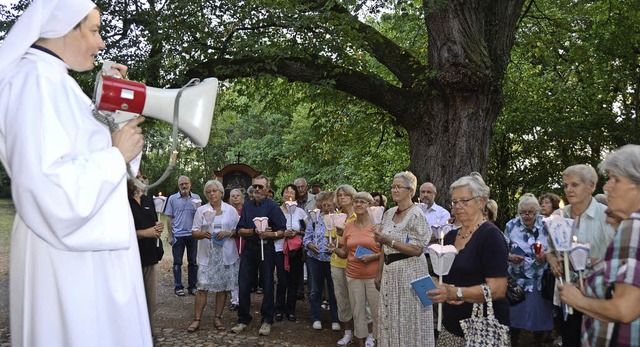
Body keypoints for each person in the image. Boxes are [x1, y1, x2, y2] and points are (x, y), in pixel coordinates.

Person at [0, 1, 152, 345]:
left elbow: (91, 149)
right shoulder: (34, 81)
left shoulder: (59, 83)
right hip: (68, 262)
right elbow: (44, 186)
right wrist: (116, 156)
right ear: (65, 27)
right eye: (95, 30)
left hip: (83, 254)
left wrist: (113, 105)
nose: (101, 44)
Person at [558, 145, 640, 346]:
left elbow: (625, 309)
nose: (607, 187)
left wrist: (576, 299)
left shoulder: (633, 225)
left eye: (616, 179)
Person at [428, 172, 509, 346]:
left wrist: (456, 292)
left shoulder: (491, 237)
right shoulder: (448, 237)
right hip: (450, 326)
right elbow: (437, 275)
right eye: (454, 202)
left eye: (464, 201)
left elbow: (498, 289)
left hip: (483, 329)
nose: (458, 206)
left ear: (481, 201)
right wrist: (436, 286)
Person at [545, 164, 615, 346]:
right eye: (565, 185)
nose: (568, 189)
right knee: (570, 340)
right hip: (567, 295)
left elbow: (618, 259)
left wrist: (588, 262)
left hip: (599, 296)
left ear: (591, 186)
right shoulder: (558, 216)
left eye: (574, 185)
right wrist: (553, 260)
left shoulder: (607, 215)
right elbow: (550, 249)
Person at [374, 172, 434, 347]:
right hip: (390, 271)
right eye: (393, 186)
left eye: (398, 186)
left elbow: (417, 249)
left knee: (408, 316)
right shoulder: (389, 212)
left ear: (411, 191)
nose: (394, 189)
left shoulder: (416, 214)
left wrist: (389, 240)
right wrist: (379, 273)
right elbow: (383, 248)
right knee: (390, 314)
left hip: (410, 272)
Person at [231, 175, 287, 336]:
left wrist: (271, 234)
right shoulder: (247, 207)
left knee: (268, 285)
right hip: (249, 248)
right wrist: (254, 231)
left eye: (260, 187)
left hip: (266, 249)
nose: (257, 189)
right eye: (255, 186)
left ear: (267, 189)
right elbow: (239, 229)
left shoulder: (273, 207)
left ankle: (267, 320)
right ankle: (243, 319)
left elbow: (282, 231)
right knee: (243, 283)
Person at [187, 180, 240, 333]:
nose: (211, 194)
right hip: (207, 255)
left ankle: (218, 317)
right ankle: (197, 319)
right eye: (208, 192)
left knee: (222, 288)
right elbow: (194, 231)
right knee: (202, 287)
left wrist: (229, 233)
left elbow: (238, 230)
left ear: (221, 193)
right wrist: (202, 234)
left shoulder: (230, 210)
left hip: (225, 254)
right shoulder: (201, 211)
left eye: (214, 191)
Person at [331, 192, 381, 347]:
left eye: (363, 202)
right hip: (353, 274)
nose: (358, 204)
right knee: (357, 311)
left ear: (370, 205)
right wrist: (334, 249)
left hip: (373, 276)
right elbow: (345, 252)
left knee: (375, 311)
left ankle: (375, 338)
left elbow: (386, 252)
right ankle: (360, 341)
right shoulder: (349, 226)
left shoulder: (377, 226)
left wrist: (372, 257)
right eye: (356, 202)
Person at [504, 194, 553, 346]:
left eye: (531, 212)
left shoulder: (546, 224)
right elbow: (503, 248)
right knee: (515, 315)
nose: (527, 215)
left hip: (539, 278)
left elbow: (555, 246)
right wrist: (510, 257)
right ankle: (514, 342)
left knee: (540, 315)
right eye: (523, 212)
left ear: (537, 212)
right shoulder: (511, 225)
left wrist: (546, 254)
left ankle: (537, 342)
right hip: (518, 279)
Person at [128, 178, 164, 335]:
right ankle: (132, 334)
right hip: (130, 259)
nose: (141, 181)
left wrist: (158, 227)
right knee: (132, 299)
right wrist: (144, 233)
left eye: (142, 178)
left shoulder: (148, 200)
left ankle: (148, 334)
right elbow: (120, 231)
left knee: (150, 299)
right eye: (137, 178)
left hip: (149, 256)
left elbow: (153, 223)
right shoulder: (122, 202)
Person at [303, 191, 340, 331]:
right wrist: (310, 245)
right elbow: (306, 238)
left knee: (334, 289)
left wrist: (336, 246)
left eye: (329, 204)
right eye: (323, 204)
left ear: (334, 204)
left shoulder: (340, 219)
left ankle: (335, 318)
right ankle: (316, 317)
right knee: (315, 289)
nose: (326, 207)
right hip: (315, 258)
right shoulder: (315, 219)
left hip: (333, 259)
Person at [275, 184, 309, 322]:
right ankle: (278, 309)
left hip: (295, 249)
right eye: (286, 192)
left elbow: (309, 230)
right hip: (279, 248)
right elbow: (271, 229)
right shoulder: (276, 211)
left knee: (294, 281)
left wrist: (298, 232)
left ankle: (291, 310)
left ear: (296, 196)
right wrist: (282, 233)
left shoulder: (300, 212)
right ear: (282, 195)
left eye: (292, 192)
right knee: (282, 280)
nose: (289, 194)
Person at [331, 184, 358, 346]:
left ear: (352, 197)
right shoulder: (336, 216)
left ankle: (365, 333)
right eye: (339, 195)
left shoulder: (359, 216)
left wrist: (344, 236)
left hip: (354, 263)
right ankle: (347, 333)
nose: (342, 198)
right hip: (336, 262)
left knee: (358, 299)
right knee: (342, 299)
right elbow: (333, 239)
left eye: (346, 195)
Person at [166, 175, 201, 296]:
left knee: (193, 262)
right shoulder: (172, 199)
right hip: (178, 235)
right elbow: (169, 218)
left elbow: (200, 217)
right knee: (177, 262)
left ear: (190, 184)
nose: (184, 186)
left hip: (192, 235)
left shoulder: (196, 198)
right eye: (181, 184)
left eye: (186, 183)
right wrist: (170, 235)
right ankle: (178, 287)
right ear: (178, 185)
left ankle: (192, 287)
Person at [229, 188, 244, 311]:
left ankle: (243, 298)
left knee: (242, 273)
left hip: (243, 244)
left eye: (237, 195)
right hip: (231, 243)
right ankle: (235, 300)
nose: (235, 198)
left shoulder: (246, 211)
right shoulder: (227, 211)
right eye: (233, 196)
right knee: (233, 273)